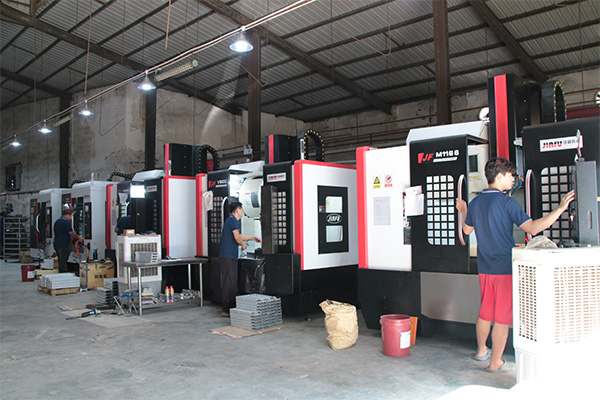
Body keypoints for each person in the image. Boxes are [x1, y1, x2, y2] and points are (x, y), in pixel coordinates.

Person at [456, 157, 574, 373]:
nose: (514, 179)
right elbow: (533, 228)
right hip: (504, 269)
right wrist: (559, 209)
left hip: (485, 267)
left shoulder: (476, 203)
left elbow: (466, 230)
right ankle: (495, 363)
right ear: (500, 176)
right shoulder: (507, 202)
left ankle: (481, 351)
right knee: (501, 318)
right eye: (511, 175)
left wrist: (463, 209)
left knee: (485, 312)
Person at [219, 201, 261, 317]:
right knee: (230, 283)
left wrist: (253, 237)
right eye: (242, 210)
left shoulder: (231, 221)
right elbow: (237, 238)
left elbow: (240, 236)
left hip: (229, 256)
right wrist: (243, 244)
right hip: (228, 256)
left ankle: (229, 309)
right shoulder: (232, 220)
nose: (242, 212)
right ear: (237, 211)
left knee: (231, 282)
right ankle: (227, 310)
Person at [54, 208, 84, 273]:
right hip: (64, 245)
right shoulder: (66, 222)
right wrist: (79, 238)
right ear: (67, 215)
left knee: (61, 261)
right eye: (71, 216)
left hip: (57, 244)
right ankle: (63, 274)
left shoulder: (57, 221)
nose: (71, 218)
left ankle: (61, 273)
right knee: (63, 261)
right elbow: (71, 233)